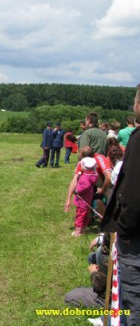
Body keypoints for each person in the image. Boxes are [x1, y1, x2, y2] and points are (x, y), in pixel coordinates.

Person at [101, 84, 140, 326]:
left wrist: (123, 230)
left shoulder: (137, 139)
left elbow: (133, 194)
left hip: (135, 240)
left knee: (133, 303)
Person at [71, 157, 98, 236]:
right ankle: (84, 228)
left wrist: (77, 190)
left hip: (82, 200)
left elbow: (84, 186)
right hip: (88, 199)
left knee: (80, 215)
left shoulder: (85, 177)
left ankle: (78, 231)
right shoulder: (93, 175)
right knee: (85, 214)